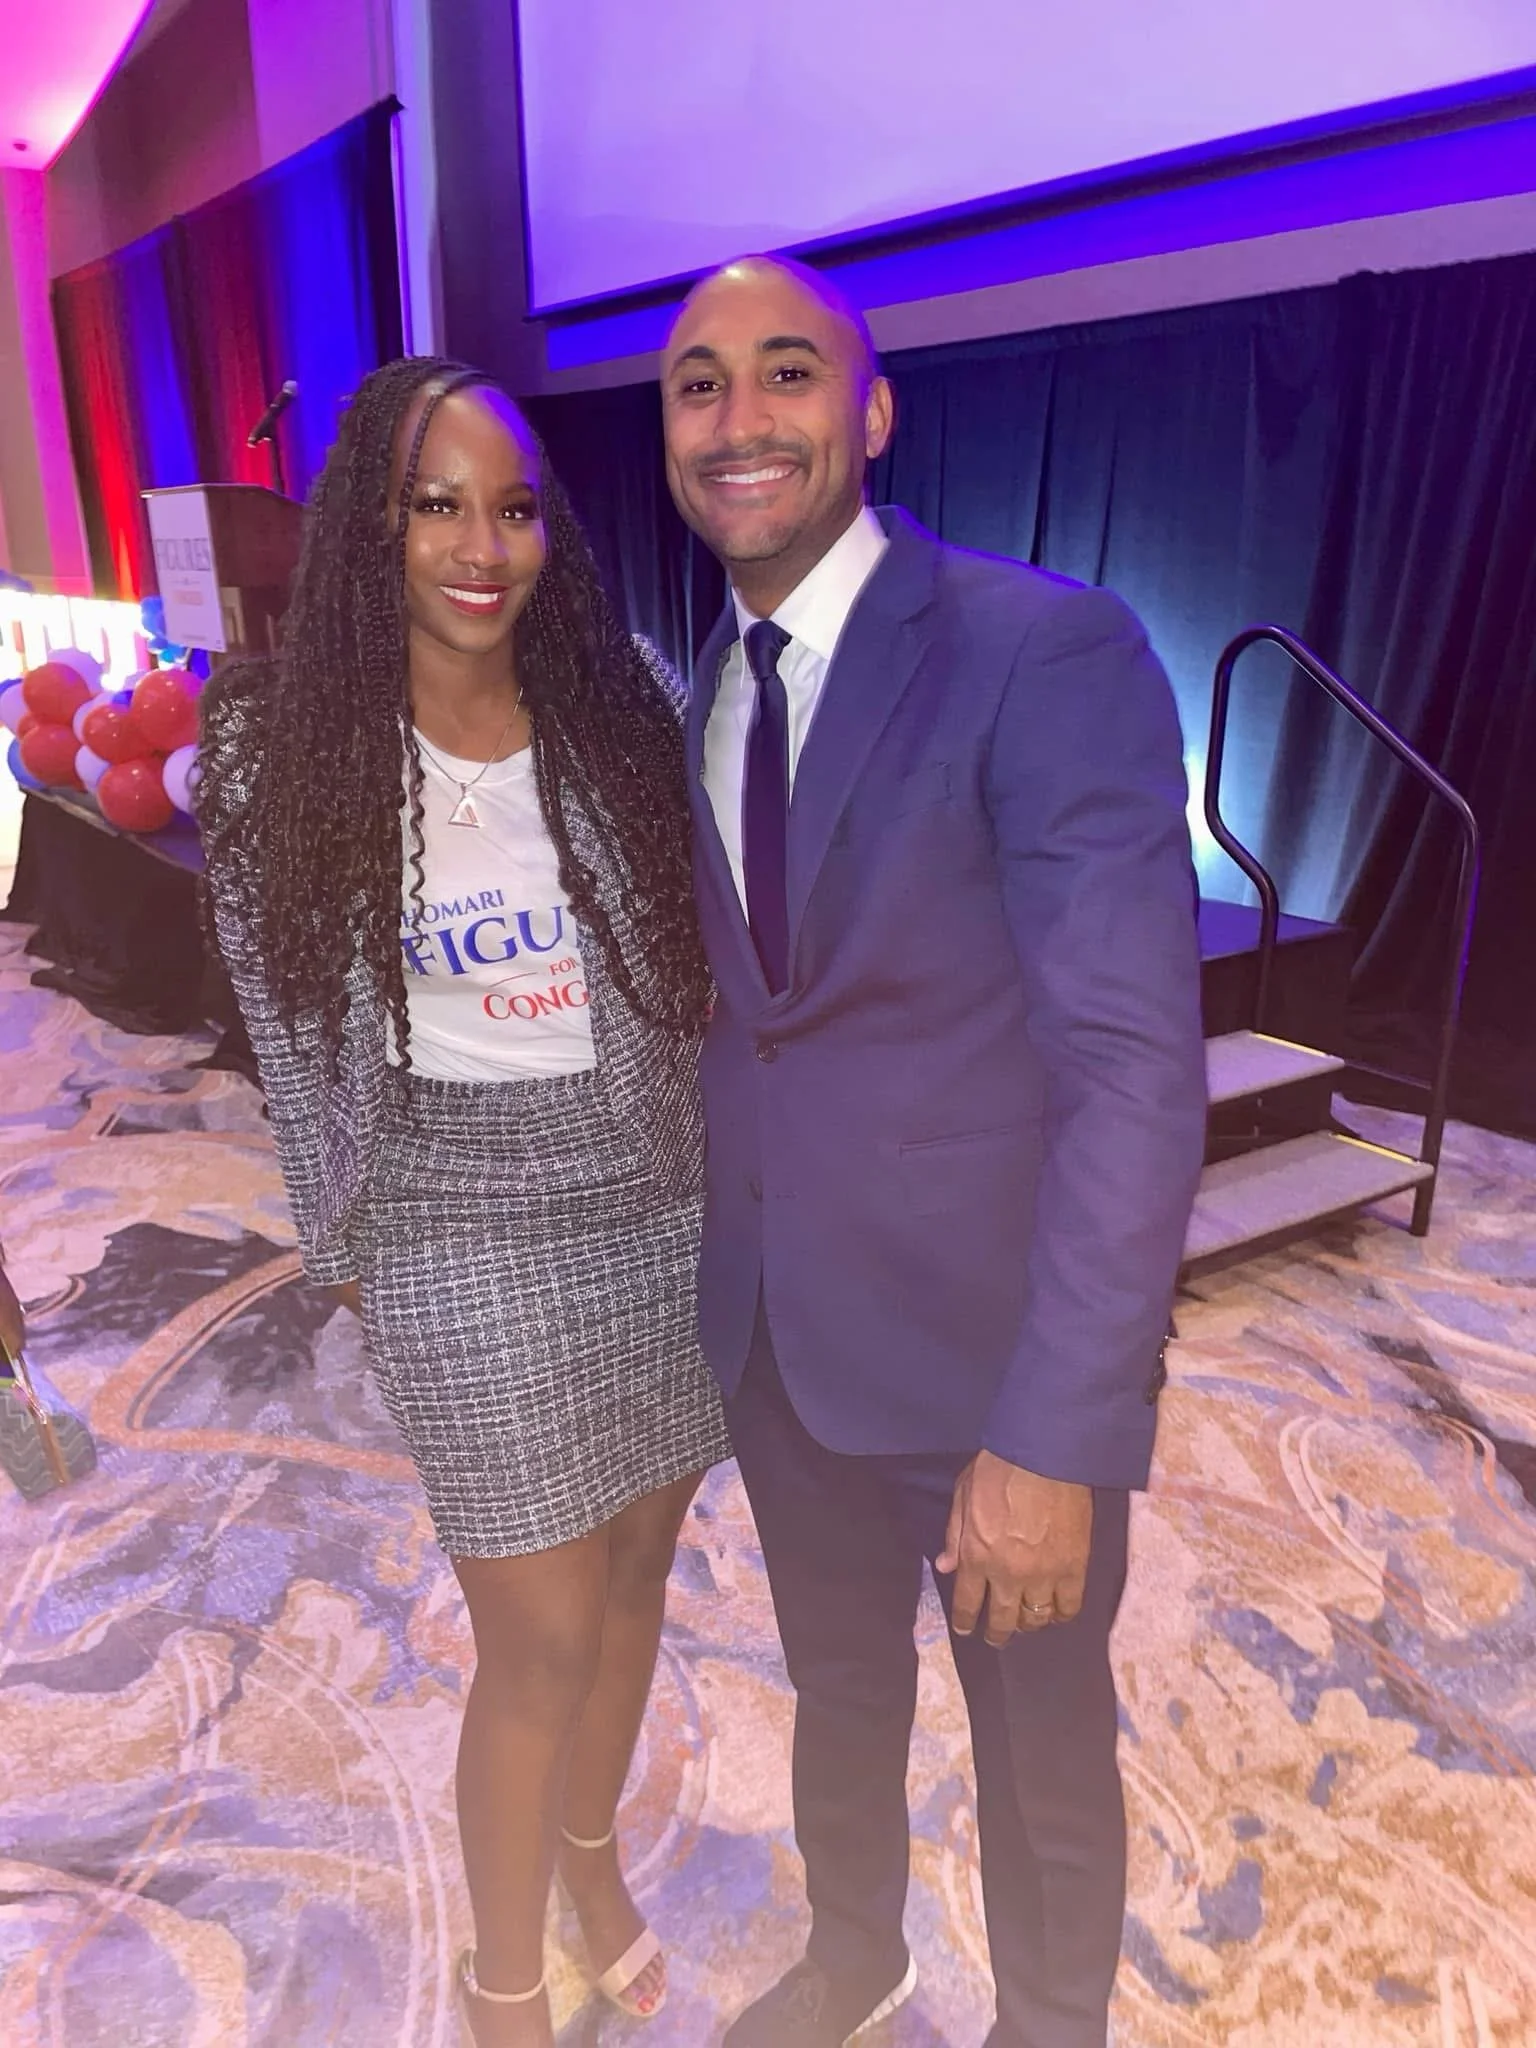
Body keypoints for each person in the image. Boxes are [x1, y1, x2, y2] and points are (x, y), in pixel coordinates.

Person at [660, 257, 1208, 2048]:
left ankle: (1054, 2027)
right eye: (697, 385)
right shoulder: (703, 693)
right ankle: (856, 1958)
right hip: (778, 1346)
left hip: (991, 1370)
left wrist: (1057, 1430)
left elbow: (1133, 1069)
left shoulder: (1038, 648)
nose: (741, 420)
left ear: (871, 411)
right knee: (834, 1691)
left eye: (788, 373)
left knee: (1040, 1751)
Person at [197, 358, 731, 2048]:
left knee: (642, 1563)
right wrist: (343, 1235)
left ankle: (592, 1861)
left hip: (653, 1190)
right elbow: (287, 1029)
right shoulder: (275, 751)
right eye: (438, 504)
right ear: (375, 523)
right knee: (541, 1629)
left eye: (512, 508)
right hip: (451, 1215)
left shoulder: (620, 695)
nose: (480, 545)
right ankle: (506, 1982)